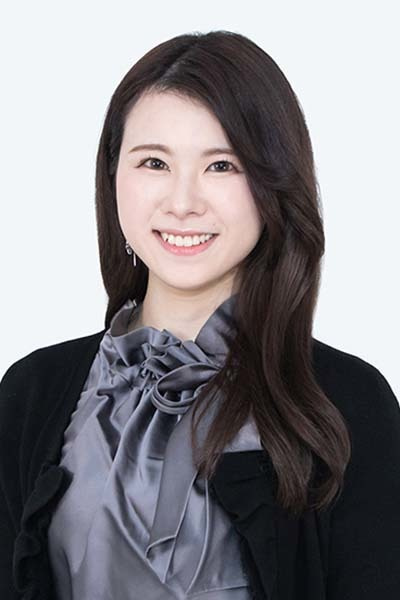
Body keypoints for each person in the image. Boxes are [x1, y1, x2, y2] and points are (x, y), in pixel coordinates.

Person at [1, 30, 399, 600]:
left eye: (222, 166)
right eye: (154, 162)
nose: (183, 202)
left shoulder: (350, 402)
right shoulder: (32, 392)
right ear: (113, 177)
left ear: (273, 182)